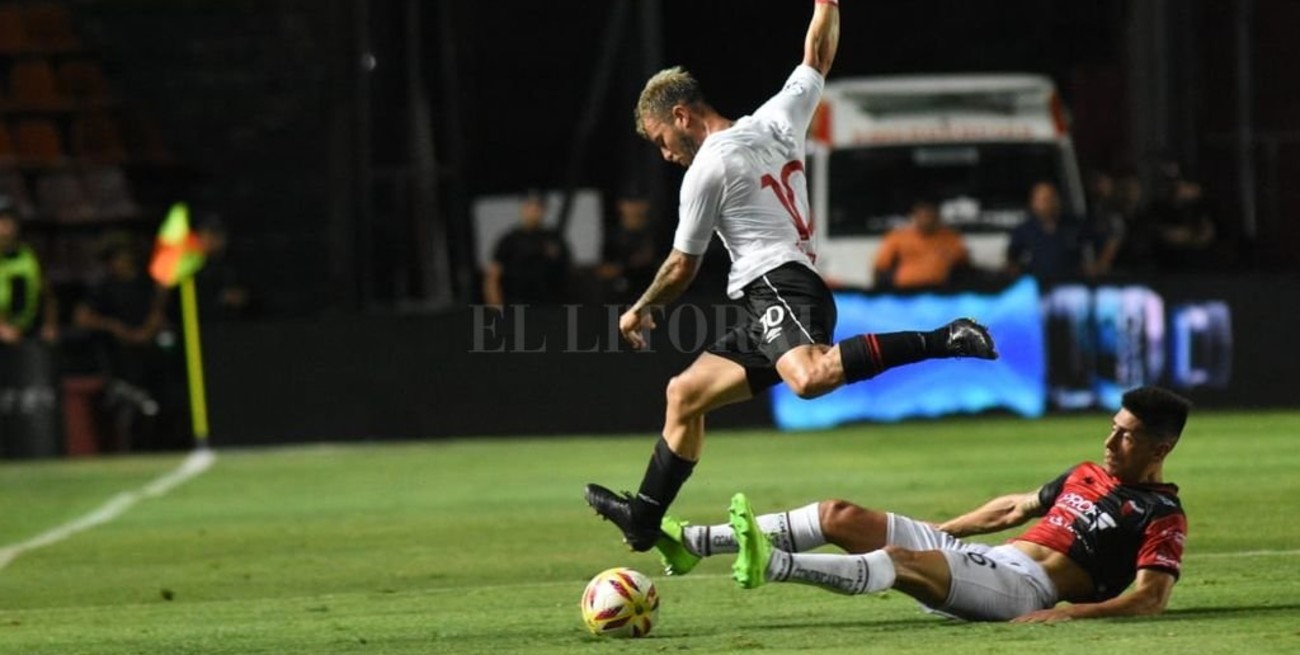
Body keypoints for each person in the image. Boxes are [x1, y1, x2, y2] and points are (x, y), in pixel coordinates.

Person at [585, 0, 998, 553]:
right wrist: (826, 5)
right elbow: (817, 57)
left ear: (683, 115)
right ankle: (644, 518)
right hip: (776, 294)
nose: (664, 154)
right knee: (684, 394)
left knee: (809, 378)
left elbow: (683, 265)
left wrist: (641, 309)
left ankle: (944, 337)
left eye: (662, 139)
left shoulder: (708, 166)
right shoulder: (775, 118)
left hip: (781, 284)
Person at [656, 386, 1190, 623]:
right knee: (839, 514)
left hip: (1027, 590)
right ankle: (695, 544)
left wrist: (1071, 614)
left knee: (899, 561)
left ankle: (772, 564)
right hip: (990, 560)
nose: (1109, 443)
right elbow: (1013, 509)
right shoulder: (1086, 473)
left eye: (1126, 437)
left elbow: (1151, 599)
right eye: (1112, 429)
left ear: (1160, 449)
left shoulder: (1160, 514)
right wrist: (941, 528)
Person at [482, 190, 572, 309]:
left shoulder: (555, 239)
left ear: (543, 210)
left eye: (537, 207)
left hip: (551, 307)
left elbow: (567, 272)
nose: (533, 210)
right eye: (529, 206)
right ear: (522, 209)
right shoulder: (509, 239)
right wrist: (496, 309)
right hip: (517, 307)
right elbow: (492, 277)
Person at [872, 199, 970, 290]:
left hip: (939, 291)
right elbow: (881, 267)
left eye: (930, 215)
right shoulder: (898, 237)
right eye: (923, 215)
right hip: (906, 290)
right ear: (915, 216)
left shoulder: (951, 238)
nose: (927, 219)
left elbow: (962, 265)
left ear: (938, 217)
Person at [0, 196, 58, 345]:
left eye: (8, 221)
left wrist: (49, 326)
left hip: (26, 333)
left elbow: (48, 296)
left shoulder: (30, 256)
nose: (5, 227)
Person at [1005, 182, 1087, 285]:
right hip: (1038, 286)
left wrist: (1100, 265)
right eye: (1039, 200)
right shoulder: (1024, 230)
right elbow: (1012, 257)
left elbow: (1104, 238)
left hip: (1070, 287)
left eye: (1047, 199)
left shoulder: (1073, 225)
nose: (1042, 204)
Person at [596, 192, 659, 304]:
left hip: (653, 297)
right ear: (621, 205)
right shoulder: (613, 237)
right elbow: (604, 270)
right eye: (630, 203)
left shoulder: (657, 235)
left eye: (638, 203)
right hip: (618, 299)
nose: (635, 208)